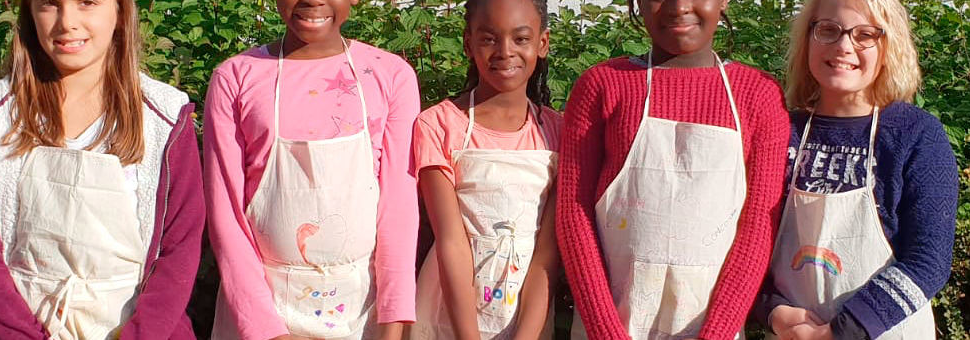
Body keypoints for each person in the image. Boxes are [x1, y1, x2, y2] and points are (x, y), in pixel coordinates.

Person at [0, 0, 204, 338]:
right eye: (49, 5)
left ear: (120, 12)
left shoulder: (164, 119)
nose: (67, 22)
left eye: (87, 3)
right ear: (29, 13)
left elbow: (179, 248)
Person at [555, 0, 791, 338]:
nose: (679, 6)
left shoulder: (758, 95)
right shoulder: (603, 86)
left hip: (712, 327)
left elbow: (758, 227)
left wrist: (716, 334)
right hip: (608, 325)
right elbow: (572, 215)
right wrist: (606, 331)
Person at [201, 0, 422, 338]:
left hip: (363, 315)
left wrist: (393, 321)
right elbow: (225, 214)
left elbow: (400, 211)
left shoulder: (390, 75)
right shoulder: (235, 77)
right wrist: (266, 330)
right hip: (262, 316)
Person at [758, 0, 958, 338]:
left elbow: (929, 260)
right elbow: (749, 241)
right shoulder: (781, 131)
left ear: (889, 46)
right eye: (828, 30)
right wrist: (771, 310)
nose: (843, 46)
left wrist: (841, 331)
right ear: (808, 38)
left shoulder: (916, 135)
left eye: (865, 35)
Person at [408, 0, 562, 338]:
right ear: (468, 43)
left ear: (543, 43)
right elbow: (451, 241)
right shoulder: (438, 125)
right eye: (489, 38)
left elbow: (546, 256)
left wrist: (526, 334)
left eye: (520, 39)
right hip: (448, 317)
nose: (505, 52)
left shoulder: (558, 133)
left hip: (527, 317)